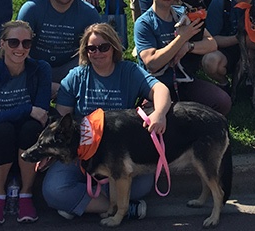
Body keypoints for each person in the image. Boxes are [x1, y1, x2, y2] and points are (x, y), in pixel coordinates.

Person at [42, 23, 171, 221]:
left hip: (120, 152)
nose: (97, 52)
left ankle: (82, 203)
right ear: (85, 51)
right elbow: (61, 121)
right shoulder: (76, 77)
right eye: (91, 48)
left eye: (104, 47)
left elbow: (160, 90)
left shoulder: (129, 71)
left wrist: (160, 113)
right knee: (53, 190)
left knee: (144, 183)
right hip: (82, 153)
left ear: (114, 48)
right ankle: (123, 207)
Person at [0, 20, 51, 225]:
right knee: (3, 130)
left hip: (28, 146)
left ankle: (26, 193)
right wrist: (26, 109)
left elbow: (41, 114)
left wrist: (21, 113)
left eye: (26, 43)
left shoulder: (40, 69)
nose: (20, 48)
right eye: (14, 42)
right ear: (2, 44)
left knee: (31, 128)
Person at [134, 0, 231, 116]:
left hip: (185, 80)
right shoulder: (144, 23)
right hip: (157, 84)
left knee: (222, 102)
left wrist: (188, 46)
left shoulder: (183, 13)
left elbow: (212, 43)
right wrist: (182, 38)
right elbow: (152, 63)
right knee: (161, 119)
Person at [17, 0, 101, 97]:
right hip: (34, 67)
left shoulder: (89, 13)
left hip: (71, 67)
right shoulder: (31, 9)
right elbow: (15, 48)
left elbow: (100, 50)